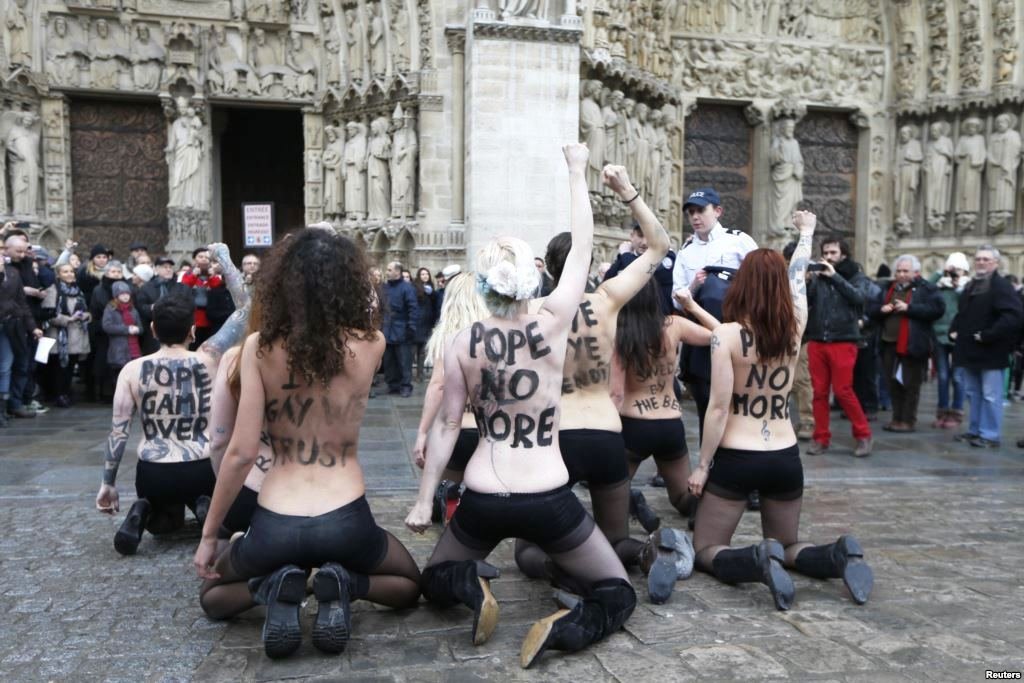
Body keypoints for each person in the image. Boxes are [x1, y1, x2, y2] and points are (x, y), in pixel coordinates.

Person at [405, 144, 636, 669]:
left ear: (483, 288)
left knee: (435, 581)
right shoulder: (553, 322)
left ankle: (471, 584)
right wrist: (576, 171)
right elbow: (580, 249)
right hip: (547, 492)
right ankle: (567, 630)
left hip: (484, 494)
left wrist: (424, 501)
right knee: (616, 592)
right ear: (531, 281)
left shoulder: (462, 342)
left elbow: (446, 425)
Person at [193, 229, 421, 660]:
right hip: (346, 517)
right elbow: (371, 310)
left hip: (276, 521)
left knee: (214, 597)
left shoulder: (259, 348)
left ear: (282, 284)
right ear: (349, 283)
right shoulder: (372, 345)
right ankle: (344, 584)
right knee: (407, 585)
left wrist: (209, 535)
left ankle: (271, 586)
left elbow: (240, 453)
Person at [514, 163, 693, 604]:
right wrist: (627, 191)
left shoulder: (531, 311)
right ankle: (651, 551)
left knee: (526, 549)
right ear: (589, 262)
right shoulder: (609, 299)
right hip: (607, 433)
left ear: (547, 265)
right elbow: (661, 246)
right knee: (615, 537)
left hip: (557, 437)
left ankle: (563, 569)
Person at [687, 210, 874, 611]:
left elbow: (718, 409)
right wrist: (806, 233)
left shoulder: (727, 336)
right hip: (785, 455)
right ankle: (837, 555)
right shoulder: (795, 327)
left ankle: (755, 558)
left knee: (706, 547)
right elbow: (797, 279)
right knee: (790, 544)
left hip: (738, 455)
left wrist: (703, 466)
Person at [94, 244, 249, 556]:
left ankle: (143, 508)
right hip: (201, 465)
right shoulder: (208, 358)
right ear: (192, 331)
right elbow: (247, 308)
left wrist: (108, 483)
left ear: (152, 328)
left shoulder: (132, 369)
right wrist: (225, 260)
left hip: (153, 472)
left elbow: (119, 432)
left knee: (163, 524)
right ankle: (204, 504)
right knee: (201, 498)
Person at [611, 279, 716, 569]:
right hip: (670, 422)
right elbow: (719, 334)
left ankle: (629, 503)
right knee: (682, 496)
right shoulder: (674, 325)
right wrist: (691, 306)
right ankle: (706, 510)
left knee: (612, 492)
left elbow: (616, 392)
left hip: (634, 422)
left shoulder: (620, 332)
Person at [672, 187, 759, 507]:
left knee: (740, 412)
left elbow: (761, 279)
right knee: (711, 409)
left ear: (718, 211)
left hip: (738, 340)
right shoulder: (686, 251)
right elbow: (676, 297)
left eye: (701, 210)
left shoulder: (739, 241)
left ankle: (746, 483)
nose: (695, 217)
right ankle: (715, 479)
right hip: (702, 342)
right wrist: (694, 286)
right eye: (691, 212)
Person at [411, 270, 490, 522]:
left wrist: (423, 433)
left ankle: (449, 505)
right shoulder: (495, 334)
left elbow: (438, 386)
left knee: (448, 479)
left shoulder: (446, 337)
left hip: (456, 431)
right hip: (486, 429)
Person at [803, 236, 874, 457]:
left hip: (843, 340)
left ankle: (863, 435)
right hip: (818, 340)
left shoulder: (856, 275)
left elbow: (859, 297)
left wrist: (835, 278)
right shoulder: (819, 277)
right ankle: (820, 437)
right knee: (819, 392)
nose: (829, 257)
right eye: (826, 253)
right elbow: (806, 302)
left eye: (833, 253)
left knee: (843, 391)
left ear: (843, 253)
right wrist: (806, 281)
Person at [950, 245, 1023, 447]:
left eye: (986, 259)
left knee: (991, 395)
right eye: (978, 259)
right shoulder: (972, 285)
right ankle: (975, 430)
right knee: (973, 394)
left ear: (995, 263)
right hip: (970, 350)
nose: (981, 262)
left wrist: (988, 334)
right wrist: (954, 329)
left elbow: (1013, 316)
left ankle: (990, 434)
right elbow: (962, 313)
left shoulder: (1001, 286)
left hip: (991, 351)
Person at [870, 255, 944, 433]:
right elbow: (871, 309)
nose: (901, 274)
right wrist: (881, 310)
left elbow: (937, 310)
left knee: (910, 384)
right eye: (899, 271)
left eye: (905, 271)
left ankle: (908, 420)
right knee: (892, 383)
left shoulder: (926, 288)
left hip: (913, 344)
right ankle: (896, 418)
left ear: (915, 272)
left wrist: (910, 309)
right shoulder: (888, 287)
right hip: (888, 343)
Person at [41, 262, 91, 408]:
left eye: (71, 271)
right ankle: (59, 394)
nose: (70, 274)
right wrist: (68, 319)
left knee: (70, 366)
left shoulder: (78, 291)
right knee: (59, 368)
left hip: (77, 335)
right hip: (60, 336)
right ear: (58, 274)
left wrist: (85, 316)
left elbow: (86, 309)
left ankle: (66, 392)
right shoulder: (53, 290)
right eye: (65, 272)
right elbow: (49, 314)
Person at [1, 253, 43, 423]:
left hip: (10, 325)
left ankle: (4, 407)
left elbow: (21, 302)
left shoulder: (12, 273)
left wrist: (32, 327)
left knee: (7, 365)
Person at [930, 252, 970, 429]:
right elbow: (924, 288)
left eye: (958, 270)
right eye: (952, 269)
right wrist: (940, 272)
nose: (954, 273)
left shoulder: (968, 287)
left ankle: (956, 412)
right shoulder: (940, 286)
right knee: (943, 376)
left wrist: (959, 287)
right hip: (939, 334)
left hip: (960, 336)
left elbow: (970, 305)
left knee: (958, 377)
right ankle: (942, 411)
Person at [604, 222, 676, 314]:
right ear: (632, 236)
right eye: (640, 235)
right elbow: (607, 283)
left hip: (656, 319)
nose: (644, 243)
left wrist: (625, 254)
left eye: (650, 237)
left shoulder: (667, 257)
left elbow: (642, 274)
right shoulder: (624, 257)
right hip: (627, 319)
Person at [182, 247, 236, 350]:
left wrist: (211, 277)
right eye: (200, 257)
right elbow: (184, 289)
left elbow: (218, 292)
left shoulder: (216, 277)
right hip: (193, 320)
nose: (203, 259)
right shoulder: (187, 275)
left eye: (206, 257)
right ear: (194, 259)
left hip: (210, 321)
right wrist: (194, 276)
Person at [137, 257, 190, 355]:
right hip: (153, 333)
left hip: (177, 331)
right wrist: (151, 308)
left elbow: (189, 306)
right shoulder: (146, 288)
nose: (168, 269)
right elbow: (140, 307)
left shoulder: (181, 287)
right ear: (156, 269)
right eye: (165, 267)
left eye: (170, 267)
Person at [382, 261, 418, 397]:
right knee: (389, 360)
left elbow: (413, 309)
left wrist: (411, 327)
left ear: (397, 272)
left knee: (404, 360)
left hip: (402, 329)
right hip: (387, 328)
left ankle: (405, 386)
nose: (387, 272)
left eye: (389, 269)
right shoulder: (384, 288)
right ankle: (392, 384)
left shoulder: (407, 288)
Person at [101, 281, 143, 390]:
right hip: (119, 348)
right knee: (119, 377)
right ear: (116, 296)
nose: (125, 296)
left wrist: (137, 329)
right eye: (122, 294)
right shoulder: (110, 308)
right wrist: (126, 329)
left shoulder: (133, 309)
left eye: (127, 294)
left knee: (133, 376)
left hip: (134, 348)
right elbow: (107, 326)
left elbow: (141, 327)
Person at [411, 267, 438, 382]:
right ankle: (409, 374)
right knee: (412, 351)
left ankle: (420, 374)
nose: (425, 276)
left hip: (427, 323)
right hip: (417, 322)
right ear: (418, 276)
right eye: (422, 274)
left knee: (422, 351)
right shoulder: (414, 288)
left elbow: (435, 304)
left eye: (427, 274)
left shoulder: (431, 289)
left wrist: (432, 294)